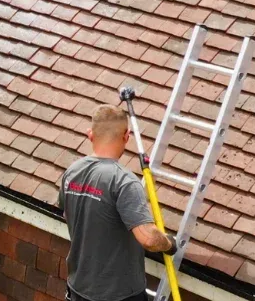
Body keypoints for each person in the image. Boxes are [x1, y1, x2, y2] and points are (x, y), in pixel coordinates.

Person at [59, 104, 176, 301]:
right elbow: (148, 238)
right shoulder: (123, 181)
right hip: (118, 296)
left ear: (90, 135)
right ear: (126, 136)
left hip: (78, 289)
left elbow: (67, 212)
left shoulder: (72, 172)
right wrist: (168, 243)